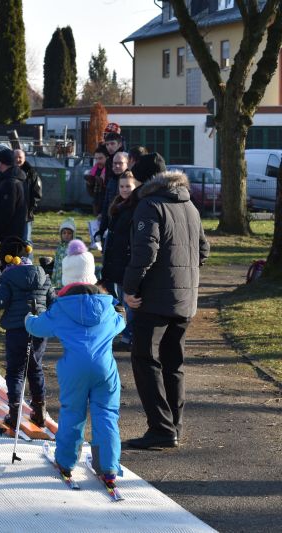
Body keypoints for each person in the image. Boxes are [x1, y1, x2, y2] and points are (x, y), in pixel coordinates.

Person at [123, 170, 210, 450]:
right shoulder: (190, 206)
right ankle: (174, 425)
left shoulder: (150, 205)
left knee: (145, 358)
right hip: (186, 299)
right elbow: (204, 250)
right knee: (173, 362)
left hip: (155, 298)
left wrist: (130, 287)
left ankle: (161, 427)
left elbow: (146, 251)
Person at [25, 243, 125, 485]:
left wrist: (30, 316)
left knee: (73, 413)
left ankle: (67, 461)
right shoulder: (107, 307)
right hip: (105, 369)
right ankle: (108, 466)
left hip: (74, 370)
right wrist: (120, 313)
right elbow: (121, 324)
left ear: (67, 278)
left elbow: (37, 328)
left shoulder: (61, 308)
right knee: (107, 415)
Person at [0, 236, 55, 428]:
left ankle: (15, 414)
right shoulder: (43, 274)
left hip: (17, 330)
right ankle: (40, 411)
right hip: (39, 329)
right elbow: (53, 302)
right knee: (35, 368)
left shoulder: (8, 277)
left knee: (16, 371)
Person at [100, 171, 140, 347]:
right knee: (122, 300)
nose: (124, 190)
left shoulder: (135, 208)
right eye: (122, 186)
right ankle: (126, 333)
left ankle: (129, 336)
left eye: (128, 187)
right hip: (115, 260)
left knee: (129, 300)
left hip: (126, 261)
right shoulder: (117, 206)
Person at [0, 148, 27, 251]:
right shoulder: (8, 178)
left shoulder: (10, 183)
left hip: (10, 231)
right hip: (12, 230)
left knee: (9, 260)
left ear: (3, 163)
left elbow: (7, 209)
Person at [14, 149, 42, 244]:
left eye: (20, 157)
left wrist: (30, 208)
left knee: (26, 241)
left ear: (24, 158)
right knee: (12, 240)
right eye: (15, 157)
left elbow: (37, 193)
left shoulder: (32, 173)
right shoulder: (8, 172)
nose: (17, 159)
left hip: (26, 215)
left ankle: (27, 259)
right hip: (11, 214)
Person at [51, 217, 76, 289]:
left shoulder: (74, 247)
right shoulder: (59, 247)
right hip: (59, 277)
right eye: (64, 233)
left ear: (73, 234)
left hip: (69, 277)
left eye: (69, 233)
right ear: (61, 234)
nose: (66, 235)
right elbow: (56, 263)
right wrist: (54, 278)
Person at [85, 145, 108, 217]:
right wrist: (89, 184)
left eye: (100, 158)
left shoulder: (110, 171)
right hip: (97, 206)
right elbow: (91, 194)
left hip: (106, 206)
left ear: (107, 158)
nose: (98, 161)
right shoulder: (94, 170)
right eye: (96, 159)